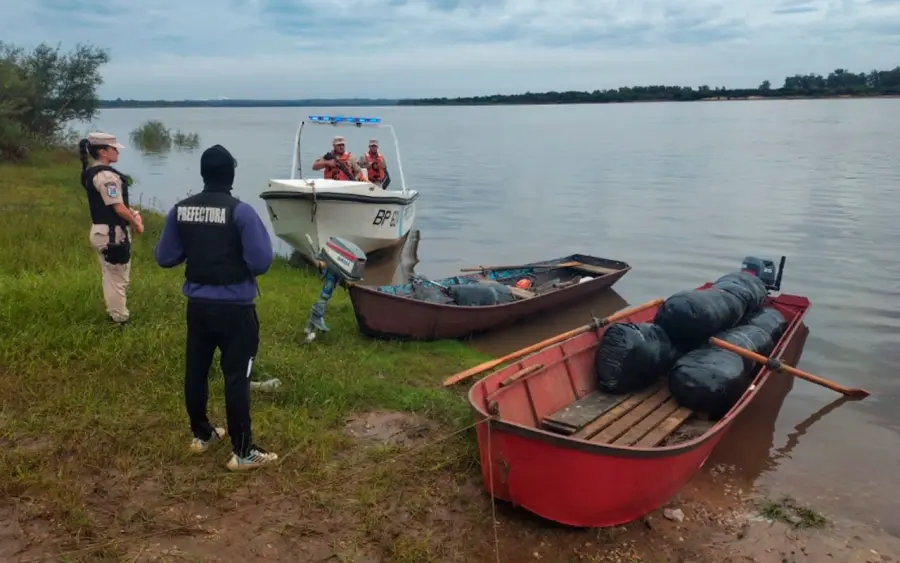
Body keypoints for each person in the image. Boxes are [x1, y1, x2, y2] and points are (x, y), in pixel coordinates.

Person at [153, 144, 278, 472]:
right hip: (236, 310)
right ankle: (243, 451)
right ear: (232, 175)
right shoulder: (241, 212)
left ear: (203, 173)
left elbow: (165, 257)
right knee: (236, 377)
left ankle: (202, 434)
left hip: (198, 307)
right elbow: (261, 261)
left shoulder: (181, 210)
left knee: (196, 370)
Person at [78, 132, 144, 326]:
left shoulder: (93, 172)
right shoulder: (107, 176)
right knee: (118, 278)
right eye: (114, 149)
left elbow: (112, 204)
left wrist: (132, 212)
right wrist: (136, 222)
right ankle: (120, 320)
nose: (117, 152)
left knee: (110, 275)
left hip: (102, 232)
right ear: (103, 151)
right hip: (112, 234)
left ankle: (114, 313)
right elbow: (117, 207)